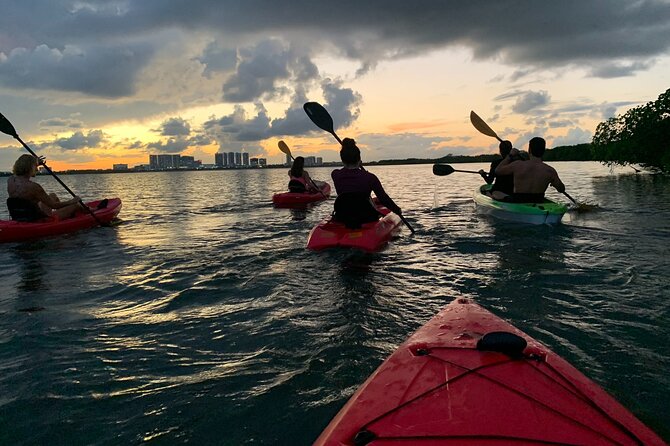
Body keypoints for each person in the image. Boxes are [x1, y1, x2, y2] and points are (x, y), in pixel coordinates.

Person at [330, 138, 402, 228]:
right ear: (359, 159)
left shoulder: (335, 174)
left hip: (343, 216)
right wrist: (397, 210)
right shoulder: (370, 178)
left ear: (342, 160)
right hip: (366, 217)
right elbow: (383, 199)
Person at [6, 154, 84, 221]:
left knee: (52, 196)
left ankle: (63, 214)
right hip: (39, 220)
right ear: (29, 168)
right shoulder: (34, 187)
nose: (36, 169)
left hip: (22, 216)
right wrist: (72, 201)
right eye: (35, 166)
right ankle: (90, 210)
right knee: (75, 205)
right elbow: (53, 205)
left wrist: (36, 162)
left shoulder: (11, 180)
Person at [495, 137, 565, 203]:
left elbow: (498, 171)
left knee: (496, 193)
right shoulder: (550, 171)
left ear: (529, 150)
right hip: (538, 201)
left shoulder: (518, 165)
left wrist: (510, 155)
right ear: (543, 151)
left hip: (518, 201)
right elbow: (561, 189)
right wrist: (555, 183)